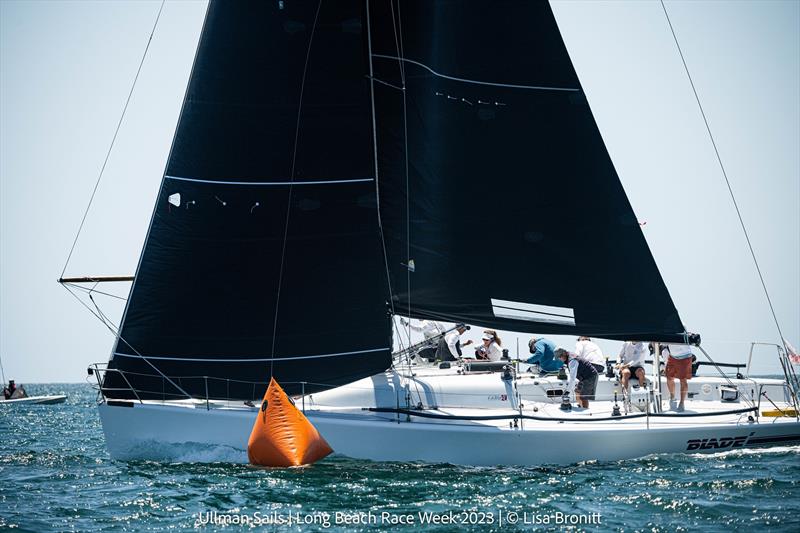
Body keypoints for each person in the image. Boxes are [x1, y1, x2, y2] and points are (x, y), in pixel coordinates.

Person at [662, 343, 693, 411]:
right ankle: (672, 398)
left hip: (685, 356)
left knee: (683, 379)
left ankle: (682, 403)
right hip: (673, 356)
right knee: (669, 377)